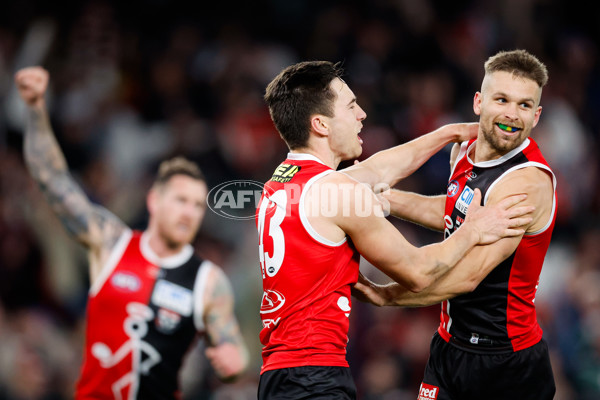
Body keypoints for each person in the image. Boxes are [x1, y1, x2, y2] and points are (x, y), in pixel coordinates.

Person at [255, 60, 535, 399]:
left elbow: (377, 171)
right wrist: (473, 229)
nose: (362, 115)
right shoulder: (339, 193)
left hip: (277, 373)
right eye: (351, 106)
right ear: (320, 125)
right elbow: (418, 272)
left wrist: (446, 134)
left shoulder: (279, 185)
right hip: (315, 377)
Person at [15, 66, 249, 400]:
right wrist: (36, 109)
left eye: (196, 205)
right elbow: (51, 178)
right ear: (154, 201)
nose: (188, 212)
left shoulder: (209, 281)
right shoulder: (112, 243)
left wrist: (232, 360)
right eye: (180, 200)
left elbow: (232, 347)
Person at [354, 49, 557, 400]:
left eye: (524, 105)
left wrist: (388, 296)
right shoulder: (465, 150)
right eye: (502, 99)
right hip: (449, 345)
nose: (512, 114)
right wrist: (387, 200)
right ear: (479, 102)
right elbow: (452, 212)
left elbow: (467, 276)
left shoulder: (526, 184)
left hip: (505, 361)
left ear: (536, 115)